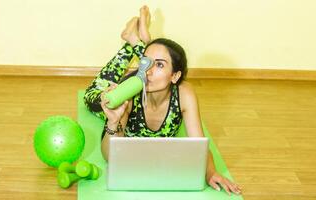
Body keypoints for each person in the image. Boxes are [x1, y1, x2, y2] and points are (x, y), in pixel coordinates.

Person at [84, 5, 241, 195]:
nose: (148, 70)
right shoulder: (129, 96)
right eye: (146, 61)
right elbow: (110, 156)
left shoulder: (185, 94)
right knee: (91, 96)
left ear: (175, 76)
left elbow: (199, 144)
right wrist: (113, 121)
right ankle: (132, 40)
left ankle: (139, 41)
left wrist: (211, 173)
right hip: (107, 93)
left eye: (159, 65)